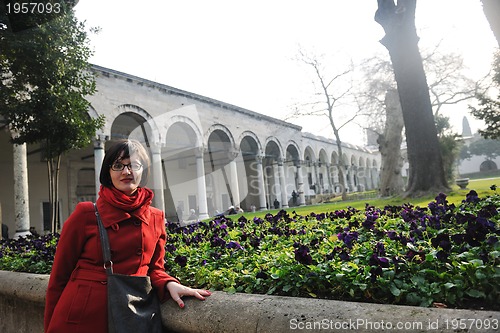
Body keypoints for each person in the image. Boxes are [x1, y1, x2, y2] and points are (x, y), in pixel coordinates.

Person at [44, 139, 211, 333]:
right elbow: (58, 279)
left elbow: (155, 268)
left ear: (144, 171)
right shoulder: (86, 213)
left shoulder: (156, 217)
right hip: (82, 317)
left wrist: (169, 283)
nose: (126, 171)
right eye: (118, 165)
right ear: (108, 172)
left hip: (130, 314)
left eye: (133, 165)